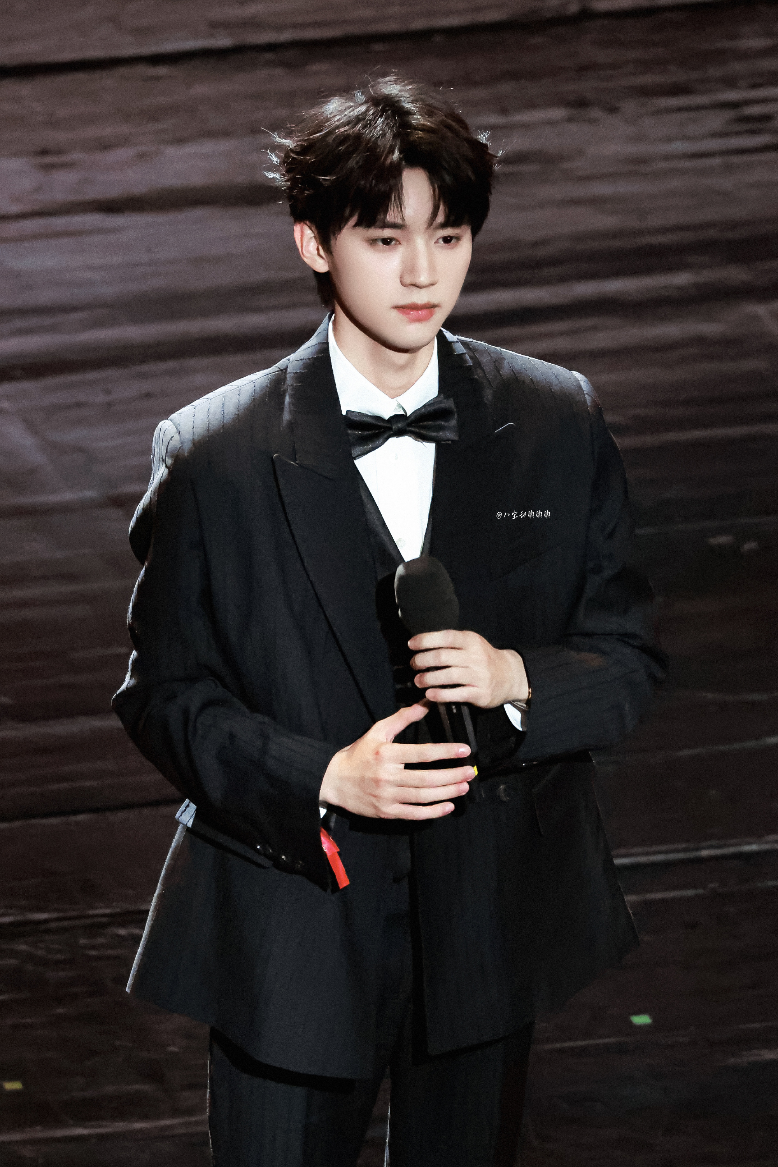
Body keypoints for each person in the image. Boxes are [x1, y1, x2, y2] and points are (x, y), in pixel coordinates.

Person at [113, 76, 665, 1167]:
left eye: (448, 237)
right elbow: (164, 696)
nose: (423, 274)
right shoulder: (215, 455)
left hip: (488, 932)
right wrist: (324, 774)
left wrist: (516, 679)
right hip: (290, 935)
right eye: (384, 238)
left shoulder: (552, 419)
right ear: (313, 243)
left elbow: (629, 657)